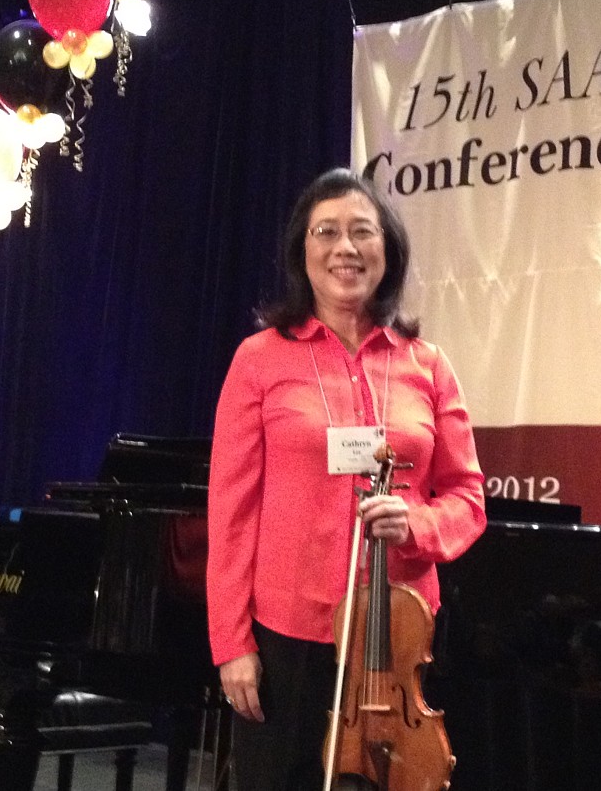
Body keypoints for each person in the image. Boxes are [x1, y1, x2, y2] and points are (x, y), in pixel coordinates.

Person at [206, 167, 487, 791]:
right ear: (301, 251)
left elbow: (469, 499)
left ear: (388, 250)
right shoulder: (260, 360)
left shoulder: (428, 364)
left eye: (363, 232)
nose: (345, 248)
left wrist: (416, 522)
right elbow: (230, 510)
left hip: (399, 641)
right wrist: (231, 642)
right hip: (289, 636)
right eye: (325, 232)